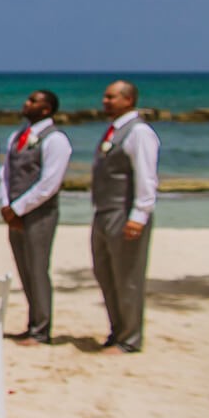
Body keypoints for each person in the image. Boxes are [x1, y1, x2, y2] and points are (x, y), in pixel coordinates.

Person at [90, 80, 160, 354]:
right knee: (105, 273)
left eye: (111, 97)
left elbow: (146, 177)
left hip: (124, 213)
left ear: (128, 100)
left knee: (128, 277)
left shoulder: (139, 132)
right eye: (105, 97)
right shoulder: (113, 132)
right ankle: (117, 330)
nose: (105, 101)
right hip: (104, 213)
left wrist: (138, 216)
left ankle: (130, 338)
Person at [0, 90, 73, 346]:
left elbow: (50, 182)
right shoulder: (17, 136)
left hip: (39, 214)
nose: (26, 103)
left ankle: (41, 329)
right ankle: (32, 323)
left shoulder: (56, 140)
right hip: (14, 213)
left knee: (38, 269)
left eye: (33, 101)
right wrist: (5, 204)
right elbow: (5, 173)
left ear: (46, 109)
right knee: (24, 269)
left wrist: (18, 208)